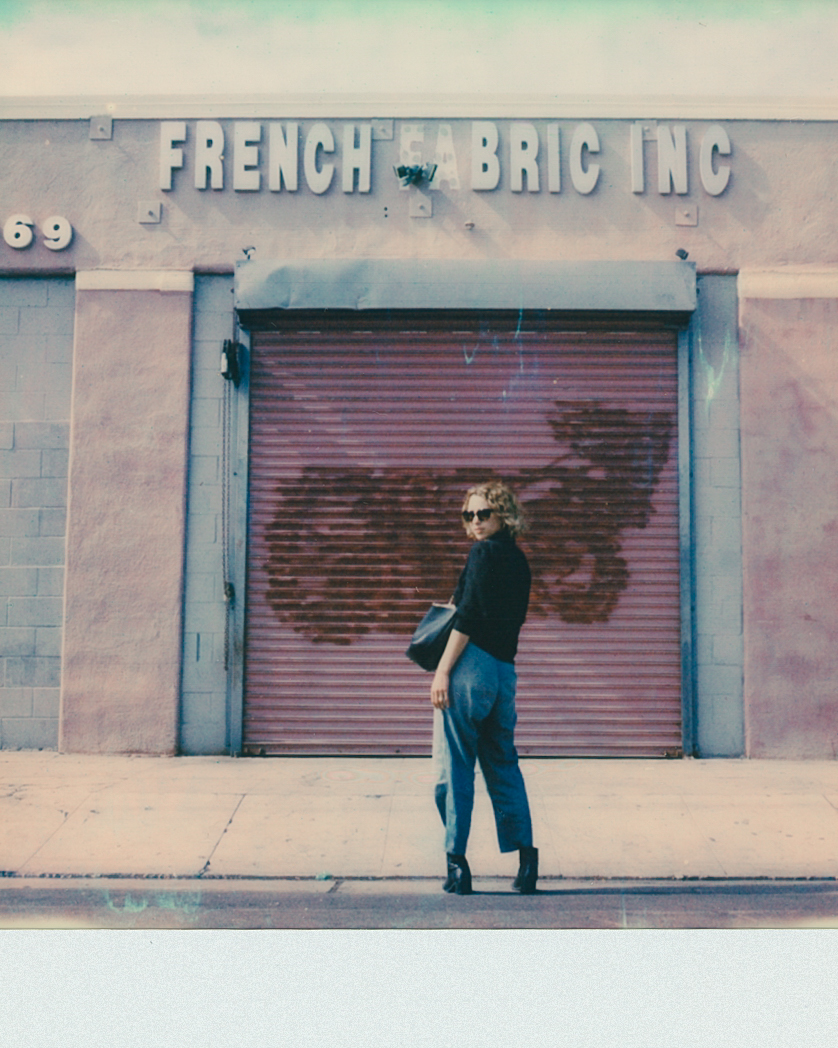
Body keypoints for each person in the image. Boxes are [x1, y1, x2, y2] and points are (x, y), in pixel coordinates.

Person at [430, 480, 538, 895]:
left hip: (470, 669)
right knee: (503, 764)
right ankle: (526, 863)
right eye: (469, 514)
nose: (475, 521)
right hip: (504, 672)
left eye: (483, 514)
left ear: (502, 515)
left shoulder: (483, 554)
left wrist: (443, 671)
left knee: (454, 767)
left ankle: (457, 865)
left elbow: (469, 617)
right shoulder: (519, 559)